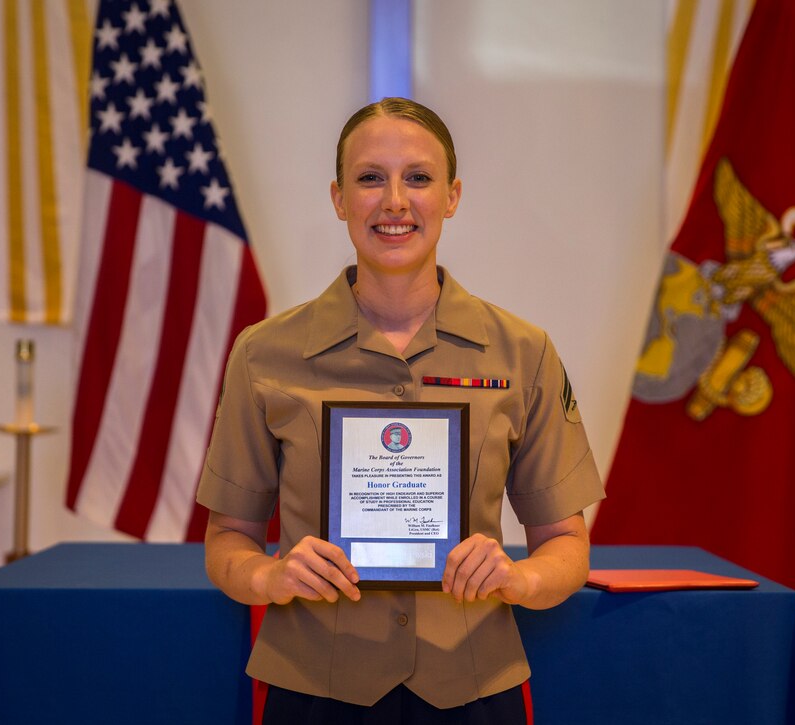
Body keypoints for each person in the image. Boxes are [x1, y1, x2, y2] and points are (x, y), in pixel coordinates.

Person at [198, 97, 605, 724]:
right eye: (369, 178)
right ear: (338, 198)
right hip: (313, 689)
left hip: (473, 685)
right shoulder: (264, 354)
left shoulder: (523, 352)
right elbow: (228, 539)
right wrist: (268, 579)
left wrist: (517, 579)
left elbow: (567, 548)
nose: (394, 200)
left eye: (418, 177)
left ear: (452, 196)